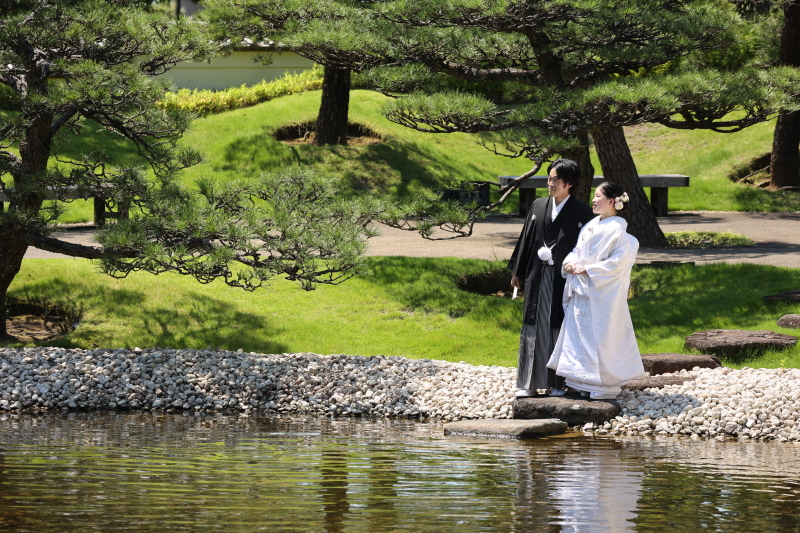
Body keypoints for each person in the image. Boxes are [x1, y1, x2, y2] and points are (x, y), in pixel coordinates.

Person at [547, 181, 645, 400]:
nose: (593, 199)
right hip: (582, 289)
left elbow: (617, 264)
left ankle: (604, 384)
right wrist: (570, 263)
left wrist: (589, 269)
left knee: (600, 335)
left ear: (611, 201)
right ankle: (580, 379)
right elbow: (576, 251)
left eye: (598, 195)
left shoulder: (620, 232)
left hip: (602, 292)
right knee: (579, 335)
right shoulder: (591, 225)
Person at [508, 159, 595, 398]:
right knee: (533, 324)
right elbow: (526, 240)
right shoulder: (538, 206)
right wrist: (518, 272)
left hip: (563, 279)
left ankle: (559, 382)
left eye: (556, 180)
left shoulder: (582, 213)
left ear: (569, 184)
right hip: (537, 275)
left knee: (559, 326)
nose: (550, 183)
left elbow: (585, 250)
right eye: (549, 178)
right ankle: (529, 383)